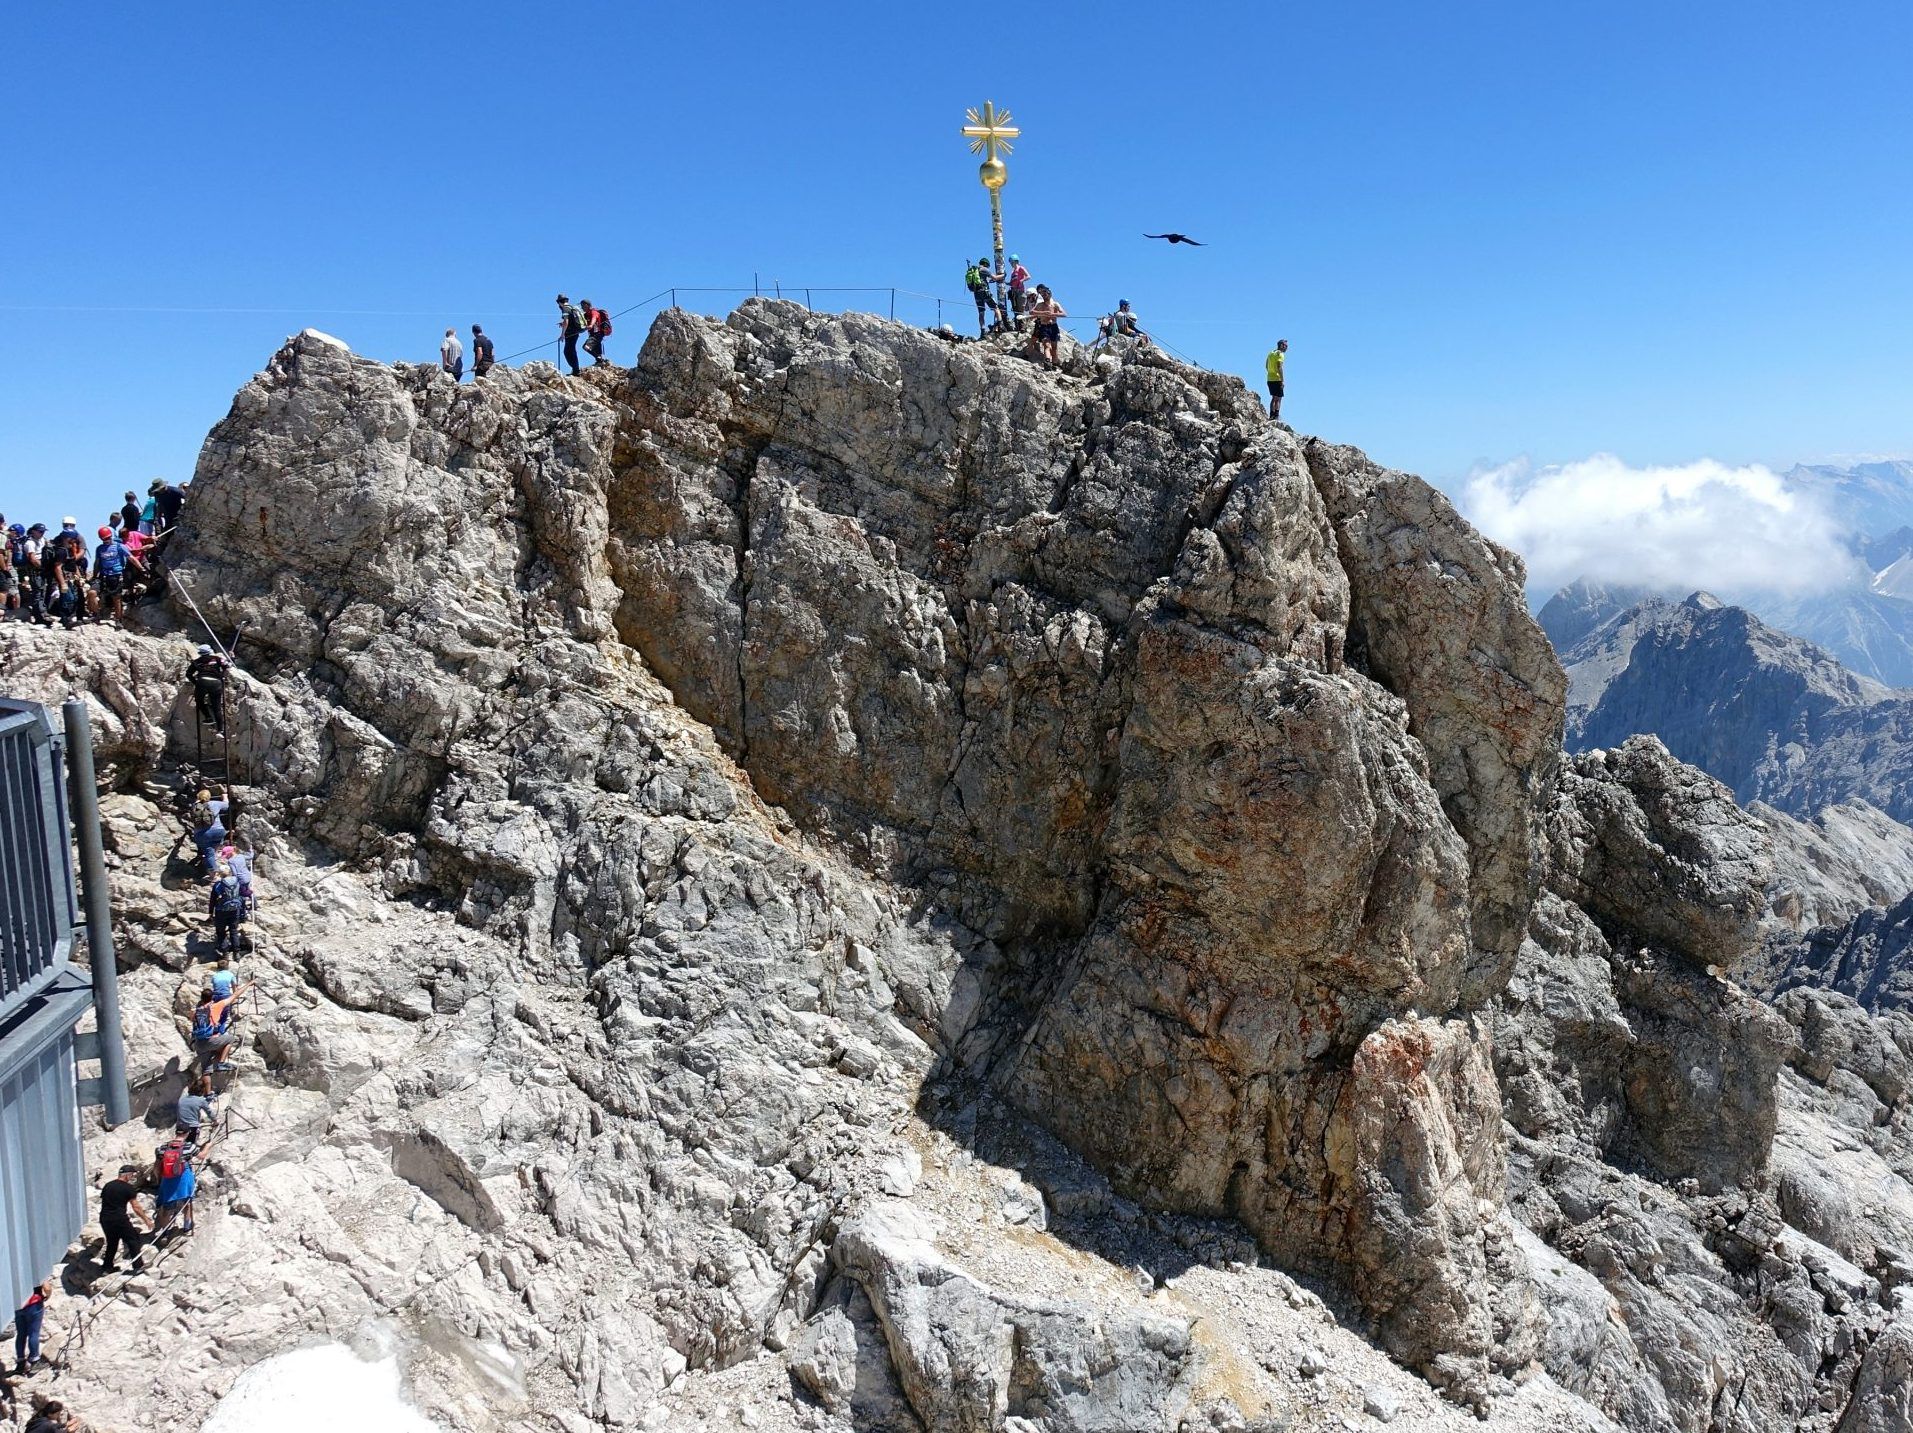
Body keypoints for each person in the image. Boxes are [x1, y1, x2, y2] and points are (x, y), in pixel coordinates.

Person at [98, 1165, 151, 1273]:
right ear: (127, 1175)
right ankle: (138, 1265)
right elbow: (136, 1207)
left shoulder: (108, 1185)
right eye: (132, 1175)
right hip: (119, 1218)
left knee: (112, 1242)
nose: (132, 1177)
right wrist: (146, 1220)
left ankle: (107, 1267)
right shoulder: (128, 1188)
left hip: (105, 1218)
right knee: (133, 1239)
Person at [190, 982, 249, 1072]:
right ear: (212, 998)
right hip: (210, 1040)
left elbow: (193, 1021)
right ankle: (221, 1064)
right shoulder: (217, 1006)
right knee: (231, 1039)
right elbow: (235, 995)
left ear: (202, 998)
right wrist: (249, 983)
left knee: (206, 1070)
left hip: (198, 1043)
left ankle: (206, 1080)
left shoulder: (197, 1011)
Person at [92, 527, 140, 625]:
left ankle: (118, 620)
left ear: (111, 536)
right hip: (104, 575)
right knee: (94, 594)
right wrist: (94, 575)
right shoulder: (100, 549)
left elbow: (131, 557)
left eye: (108, 538)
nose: (107, 540)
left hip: (116, 574)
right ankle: (96, 615)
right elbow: (97, 562)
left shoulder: (119, 546)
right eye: (104, 539)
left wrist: (141, 568)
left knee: (117, 597)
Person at [153, 1139, 197, 1237]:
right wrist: (208, 1146)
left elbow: (156, 1168)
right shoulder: (189, 1147)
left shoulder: (162, 1148)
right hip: (184, 1180)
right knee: (187, 1204)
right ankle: (187, 1227)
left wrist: (159, 1180)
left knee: (166, 1208)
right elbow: (201, 1155)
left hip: (167, 1181)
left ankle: (165, 1233)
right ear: (187, 1133)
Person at [187, 645, 229, 730]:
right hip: (216, 682)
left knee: (199, 700)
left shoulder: (197, 661)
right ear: (210, 651)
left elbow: (188, 674)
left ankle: (208, 717)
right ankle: (220, 730)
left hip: (202, 681)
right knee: (216, 707)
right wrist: (222, 675)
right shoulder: (217, 658)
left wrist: (196, 683)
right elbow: (227, 666)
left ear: (200, 653)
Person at [12, 1280, 49, 1375]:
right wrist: (47, 1296)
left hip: (18, 1306)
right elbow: (47, 1288)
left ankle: (20, 1362)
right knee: (33, 1333)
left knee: (21, 1334)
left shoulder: (13, 1270)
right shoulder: (35, 1270)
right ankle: (35, 1360)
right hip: (34, 1303)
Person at [1028, 285, 1067, 367]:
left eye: (1046, 294)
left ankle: (1055, 363)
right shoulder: (1040, 305)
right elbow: (1031, 312)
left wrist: (1053, 314)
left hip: (1053, 326)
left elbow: (1064, 314)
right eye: (1043, 294)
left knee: (1054, 346)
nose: (1045, 295)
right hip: (1044, 327)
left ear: (1050, 294)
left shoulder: (1055, 304)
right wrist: (1043, 313)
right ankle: (1047, 362)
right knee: (1046, 345)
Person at [208, 865, 244, 953]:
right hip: (235, 910)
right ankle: (236, 952)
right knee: (233, 931)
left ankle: (225, 953)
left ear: (220, 874)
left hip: (221, 911)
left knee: (220, 932)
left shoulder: (218, 885)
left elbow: (213, 900)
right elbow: (242, 896)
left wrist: (210, 912)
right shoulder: (237, 882)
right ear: (230, 872)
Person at [965, 257, 1002, 337]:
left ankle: (982, 331)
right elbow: (995, 277)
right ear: (986, 264)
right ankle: (1000, 325)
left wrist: (988, 281)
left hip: (976, 293)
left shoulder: (975, 270)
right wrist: (1003, 275)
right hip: (985, 292)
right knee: (996, 308)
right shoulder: (984, 269)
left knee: (981, 312)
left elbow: (981, 280)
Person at [174, 1074, 217, 1144]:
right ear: (202, 1090)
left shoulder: (182, 1099)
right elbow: (209, 1112)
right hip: (192, 1126)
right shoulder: (201, 1100)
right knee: (190, 1145)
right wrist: (215, 1121)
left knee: (179, 1143)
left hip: (180, 1126)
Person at [556, 294, 584, 375]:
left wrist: (562, 335)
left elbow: (566, 322)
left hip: (570, 333)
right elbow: (570, 321)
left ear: (559, 302)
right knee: (571, 350)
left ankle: (576, 370)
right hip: (575, 332)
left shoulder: (565, 308)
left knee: (568, 351)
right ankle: (575, 369)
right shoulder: (571, 307)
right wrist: (563, 324)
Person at [1266, 339, 1288, 420]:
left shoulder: (1271, 353)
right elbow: (1279, 367)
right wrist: (1282, 380)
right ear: (1281, 346)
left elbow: (1266, 365)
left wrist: (1271, 372)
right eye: (1285, 346)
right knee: (1278, 398)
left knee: (1273, 398)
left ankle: (1271, 415)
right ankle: (1276, 416)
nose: (1286, 348)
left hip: (1269, 378)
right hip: (1277, 379)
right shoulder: (1280, 354)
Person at [1007, 255, 1031, 323]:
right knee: (1015, 310)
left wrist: (1022, 280)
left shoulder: (1021, 268)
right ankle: (1018, 325)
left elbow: (1028, 276)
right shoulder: (1013, 272)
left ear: (1015, 261)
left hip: (1020, 291)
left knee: (1020, 309)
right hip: (1013, 292)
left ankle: (1023, 325)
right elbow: (1012, 282)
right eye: (1010, 262)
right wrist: (1006, 283)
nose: (1011, 264)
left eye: (1012, 262)